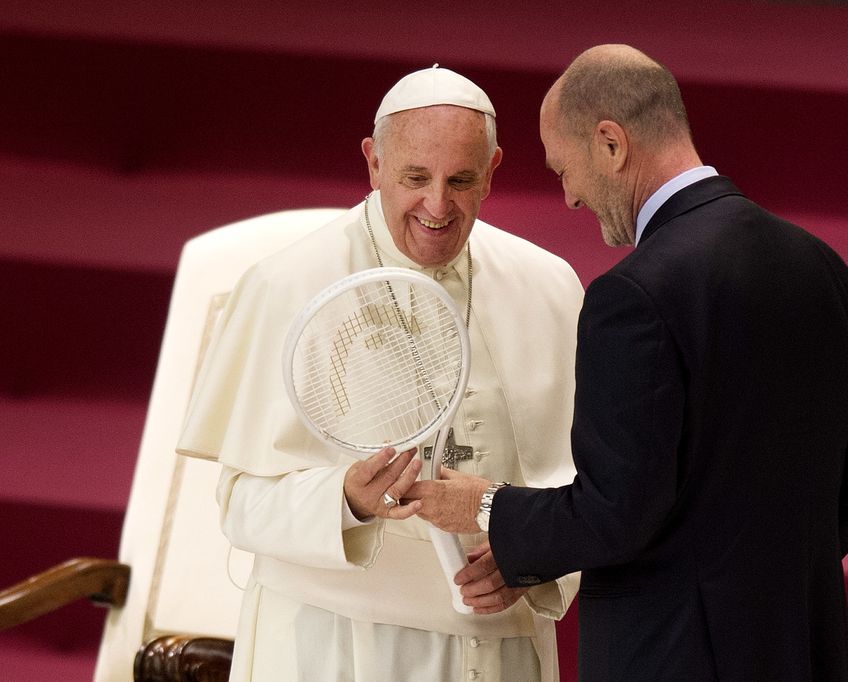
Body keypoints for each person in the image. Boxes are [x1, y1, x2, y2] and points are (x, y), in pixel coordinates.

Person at [410, 45, 848, 680]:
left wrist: (485, 506)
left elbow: (616, 513)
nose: (571, 199)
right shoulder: (819, 266)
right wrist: (756, 588)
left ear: (610, 144)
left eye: (565, 170)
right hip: (801, 650)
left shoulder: (632, 296)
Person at [176, 65, 583, 681]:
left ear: (494, 170)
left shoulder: (547, 287)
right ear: (372, 163)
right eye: (415, 178)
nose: (438, 205)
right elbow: (240, 506)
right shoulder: (285, 284)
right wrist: (345, 501)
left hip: (496, 646)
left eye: (462, 180)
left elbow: (592, 489)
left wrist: (530, 558)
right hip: (334, 646)